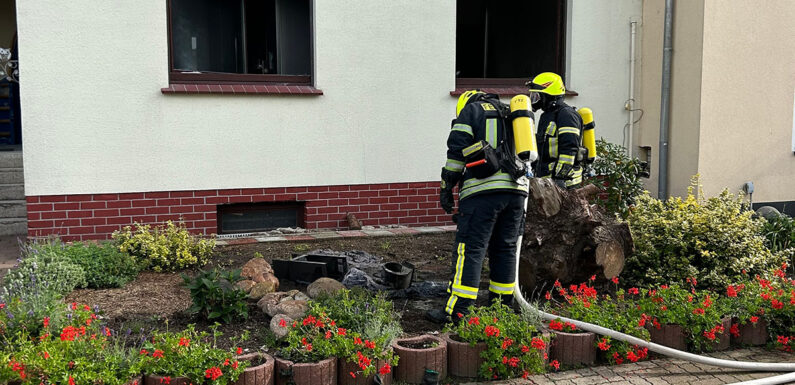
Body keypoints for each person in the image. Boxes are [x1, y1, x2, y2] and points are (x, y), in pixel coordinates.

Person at [427, 90, 529, 324]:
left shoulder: (471, 111)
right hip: (516, 194)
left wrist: (447, 186)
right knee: (505, 249)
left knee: (470, 249)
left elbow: (456, 151)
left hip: (482, 193)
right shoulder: (512, 112)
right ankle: (501, 309)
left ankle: (458, 311)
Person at [527, 72, 584, 189]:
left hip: (565, 184)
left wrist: (560, 178)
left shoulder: (566, 115)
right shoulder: (547, 115)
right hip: (547, 182)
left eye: (537, 96)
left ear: (548, 95)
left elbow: (569, 149)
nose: (534, 100)